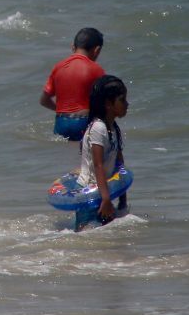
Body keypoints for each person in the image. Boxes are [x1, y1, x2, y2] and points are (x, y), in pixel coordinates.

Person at [77, 74, 129, 231]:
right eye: (122, 100)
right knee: (87, 236)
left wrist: (123, 199)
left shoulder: (113, 128)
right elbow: (98, 165)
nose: (127, 104)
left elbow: (120, 165)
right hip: (90, 194)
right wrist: (106, 200)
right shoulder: (98, 128)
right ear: (108, 104)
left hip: (102, 192)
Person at [40, 27, 105, 141]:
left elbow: (44, 100)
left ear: (72, 47)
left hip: (61, 123)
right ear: (97, 50)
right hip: (84, 123)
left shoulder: (58, 67)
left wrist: (61, 111)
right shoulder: (97, 70)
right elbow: (105, 102)